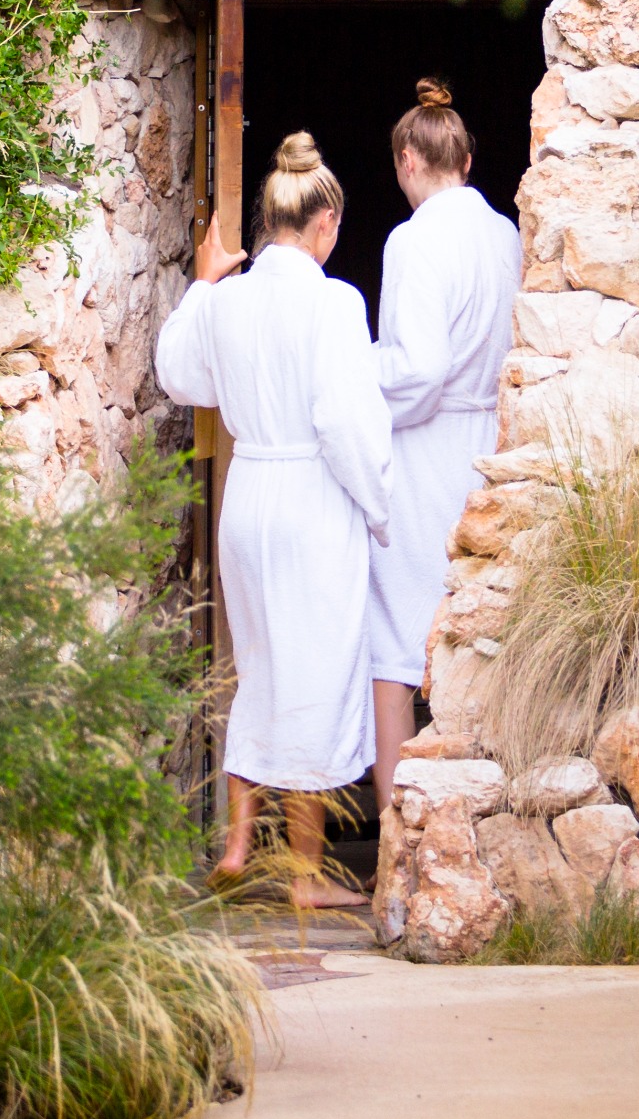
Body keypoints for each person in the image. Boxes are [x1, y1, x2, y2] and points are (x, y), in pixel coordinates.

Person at [156, 132, 392, 906]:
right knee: (313, 677)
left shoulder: (227, 300)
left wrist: (201, 285)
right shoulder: (335, 302)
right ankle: (304, 875)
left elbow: (179, 374)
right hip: (311, 499)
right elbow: (344, 422)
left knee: (257, 668)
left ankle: (234, 845)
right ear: (324, 223)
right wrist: (379, 506)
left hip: (248, 495)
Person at [368, 78, 522, 806]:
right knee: (477, 636)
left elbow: (419, 368)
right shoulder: (505, 233)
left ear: (407, 159)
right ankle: (472, 817)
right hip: (487, 445)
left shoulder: (414, 237)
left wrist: (356, 372)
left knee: (395, 642)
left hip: (425, 448)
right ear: (465, 159)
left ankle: (398, 831)